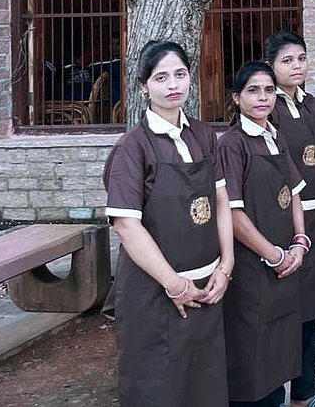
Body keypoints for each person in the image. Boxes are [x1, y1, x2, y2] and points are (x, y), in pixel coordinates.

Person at [103, 40, 233, 406]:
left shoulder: (205, 135)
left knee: (204, 382)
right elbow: (127, 226)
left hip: (208, 287)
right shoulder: (133, 148)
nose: (173, 84)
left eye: (180, 74)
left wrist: (226, 265)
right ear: (144, 86)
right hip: (155, 294)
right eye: (161, 78)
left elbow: (220, 200)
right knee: (160, 386)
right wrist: (175, 285)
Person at [219, 62, 310, 407]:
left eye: (269, 90)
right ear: (236, 98)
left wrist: (299, 242)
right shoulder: (233, 144)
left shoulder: (276, 136)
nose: (262, 98)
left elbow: (295, 191)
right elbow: (233, 213)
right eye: (253, 91)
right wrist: (273, 255)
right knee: (251, 353)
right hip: (252, 267)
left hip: (285, 259)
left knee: (278, 348)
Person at [264, 32, 315, 406]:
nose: (296, 66)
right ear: (271, 67)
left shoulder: (312, 104)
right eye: (287, 61)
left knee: (313, 309)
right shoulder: (268, 109)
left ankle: (305, 394)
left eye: (301, 58)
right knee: (286, 312)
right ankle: (277, 392)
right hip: (285, 224)